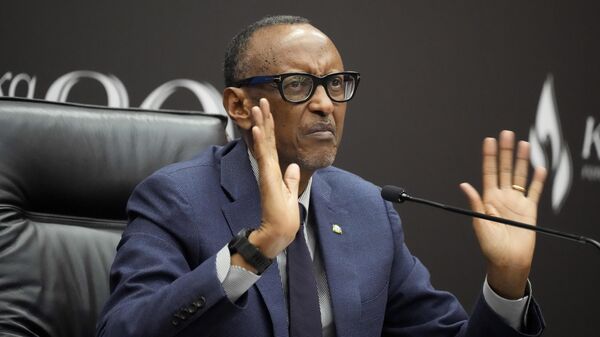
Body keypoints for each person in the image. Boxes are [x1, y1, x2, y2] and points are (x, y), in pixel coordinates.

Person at [96, 15, 547, 337]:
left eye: (336, 84)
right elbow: (123, 328)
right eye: (297, 84)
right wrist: (257, 247)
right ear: (237, 105)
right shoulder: (177, 198)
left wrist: (505, 282)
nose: (325, 104)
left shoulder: (368, 209)